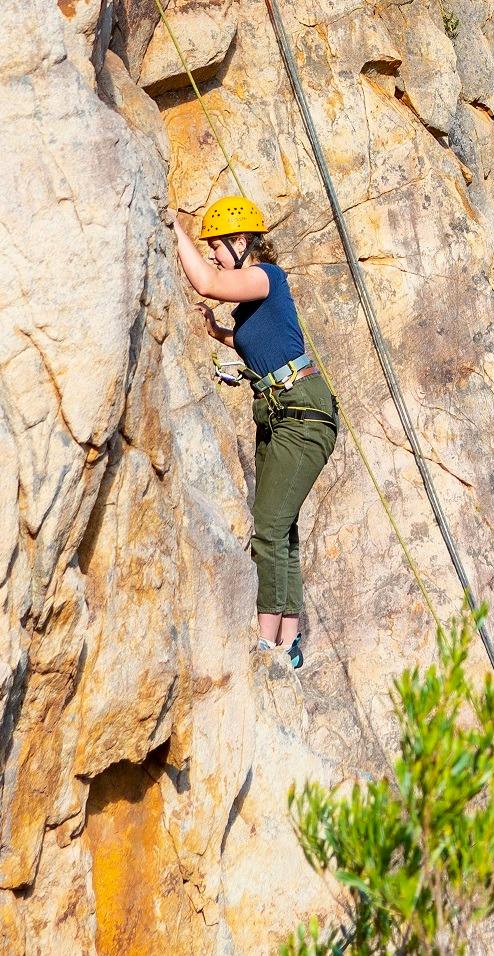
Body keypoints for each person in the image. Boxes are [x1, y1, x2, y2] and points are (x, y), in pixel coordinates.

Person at [171, 192, 336, 670]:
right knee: (280, 527)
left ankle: (269, 639)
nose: (215, 255)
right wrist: (218, 334)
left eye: (218, 246)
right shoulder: (252, 304)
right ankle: (289, 638)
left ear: (241, 241)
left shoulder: (267, 276)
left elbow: (206, 282)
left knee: (269, 526)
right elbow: (258, 346)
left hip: (302, 412)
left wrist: (172, 226)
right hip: (279, 411)